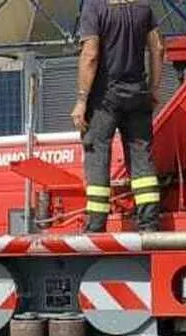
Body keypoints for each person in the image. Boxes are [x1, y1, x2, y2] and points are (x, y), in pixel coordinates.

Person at [71, 0, 165, 233]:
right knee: (141, 156)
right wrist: (153, 88)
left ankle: (96, 225)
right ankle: (149, 223)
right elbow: (158, 48)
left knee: (98, 153)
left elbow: (90, 54)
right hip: (138, 94)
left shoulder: (94, 9)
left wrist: (82, 100)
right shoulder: (144, 8)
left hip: (104, 98)